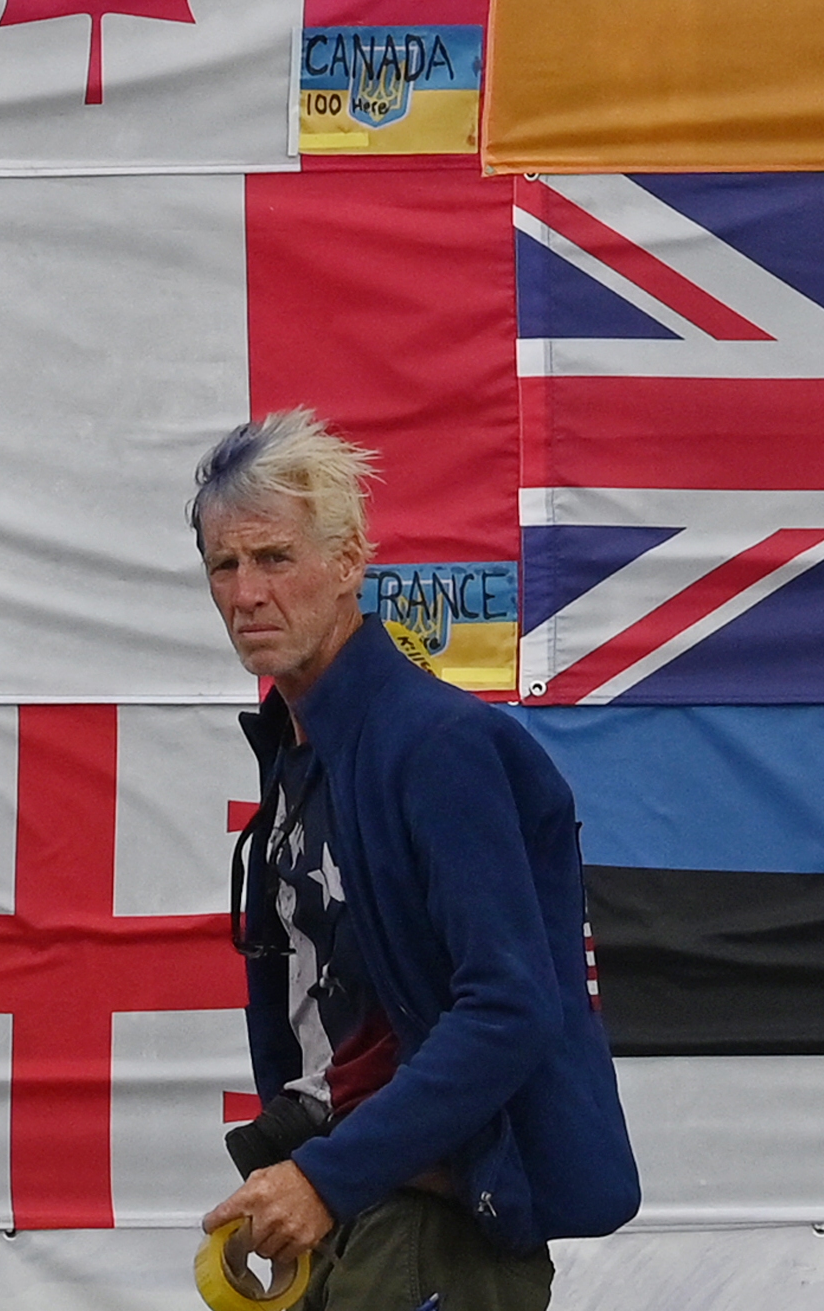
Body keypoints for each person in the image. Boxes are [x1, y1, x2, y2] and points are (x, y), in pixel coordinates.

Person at [191, 409, 638, 1311]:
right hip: (358, 1199)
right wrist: (307, 1172)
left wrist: (325, 1178)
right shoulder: (302, 749)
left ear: (351, 562)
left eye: (274, 558)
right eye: (223, 566)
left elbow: (511, 1008)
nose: (245, 592)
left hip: (431, 1223)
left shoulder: (437, 744)